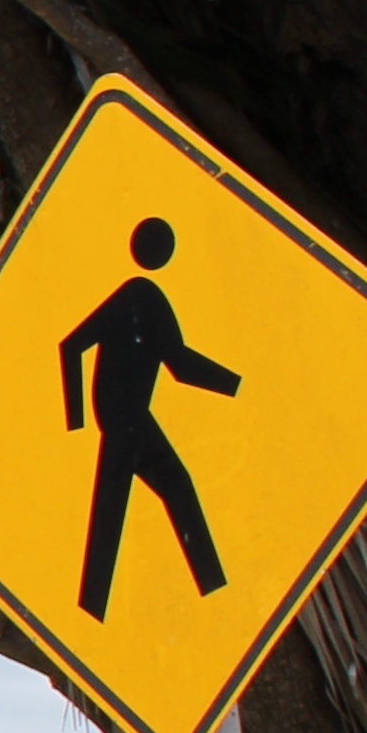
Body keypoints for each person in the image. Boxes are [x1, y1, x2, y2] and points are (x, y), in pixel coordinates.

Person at [60, 216, 239, 618]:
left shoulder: (149, 298)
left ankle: (213, 594)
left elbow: (180, 365)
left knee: (155, 498)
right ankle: (93, 610)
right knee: (122, 513)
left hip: (130, 419)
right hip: (123, 420)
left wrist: (237, 386)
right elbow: (71, 346)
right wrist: (75, 423)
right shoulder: (136, 294)